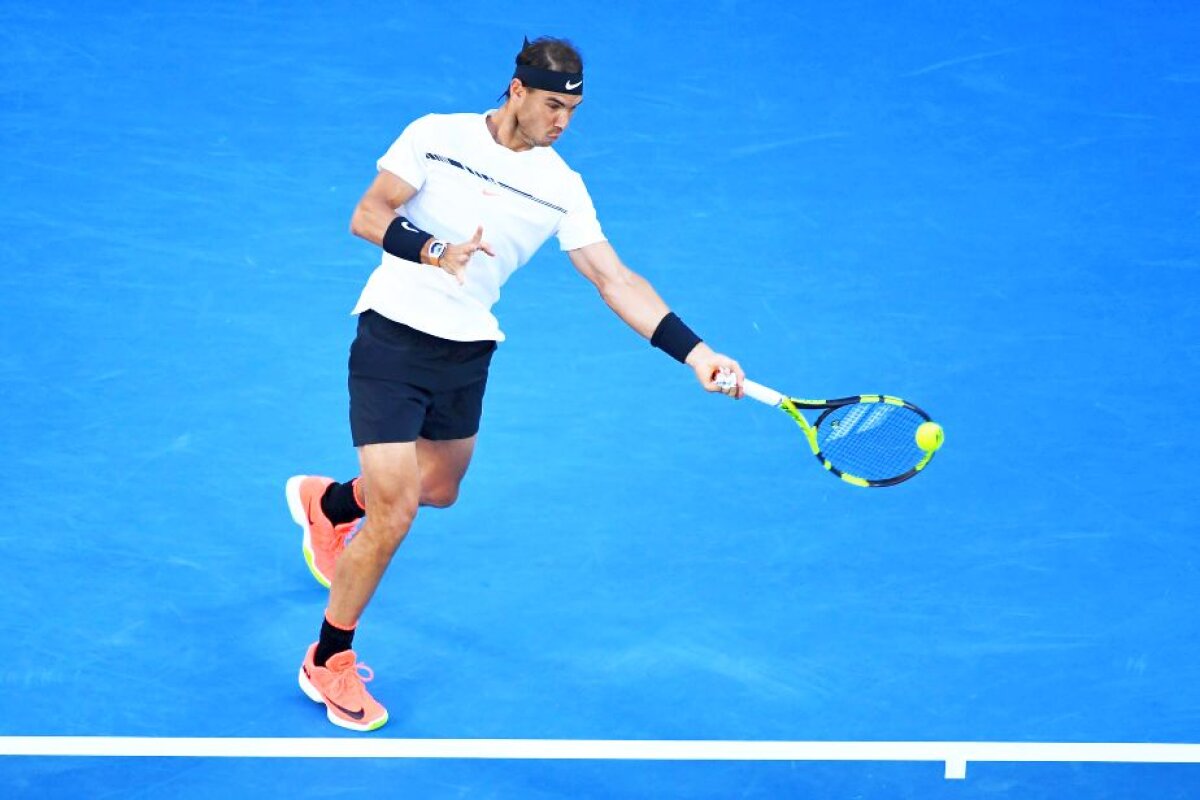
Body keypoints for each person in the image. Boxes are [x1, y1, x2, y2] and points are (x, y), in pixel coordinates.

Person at [286, 36, 745, 732]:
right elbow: (368, 214)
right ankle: (329, 657)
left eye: (573, 110)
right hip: (391, 336)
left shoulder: (562, 187)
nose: (562, 121)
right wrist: (435, 251)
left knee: (437, 489)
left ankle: (330, 504)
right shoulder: (436, 136)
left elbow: (612, 278)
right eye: (553, 105)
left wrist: (697, 353)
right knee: (398, 512)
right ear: (516, 91)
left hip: (467, 353)